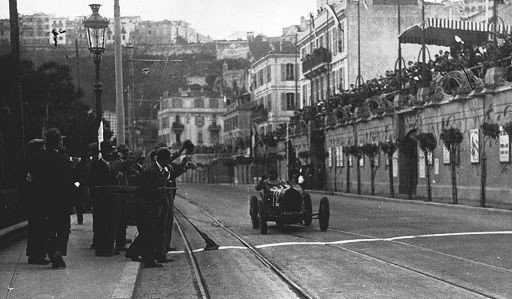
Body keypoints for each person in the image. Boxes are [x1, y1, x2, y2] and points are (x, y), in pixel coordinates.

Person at [30, 128, 75, 269]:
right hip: (61, 202)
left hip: (43, 202)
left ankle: (52, 252)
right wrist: (71, 202)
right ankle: (58, 252)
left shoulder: (38, 159)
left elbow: (34, 182)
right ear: (58, 142)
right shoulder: (64, 160)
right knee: (63, 228)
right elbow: (69, 184)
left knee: (48, 229)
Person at [126, 147, 173, 268]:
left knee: (152, 232)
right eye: (168, 159)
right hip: (148, 207)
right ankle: (149, 260)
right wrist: (157, 190)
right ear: (164, 159)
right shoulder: (151, 171)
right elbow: (143, 189)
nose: (169, 162)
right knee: (149, 233)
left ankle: (139, 254)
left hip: (155, 206)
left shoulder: (161, 170)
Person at [89, 141, 118, 256]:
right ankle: (102, 249)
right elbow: (97, 182)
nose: (110, 154)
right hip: (101, 200)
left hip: (110, 199)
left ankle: (109, 247)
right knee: (102, 224)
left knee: (110, 224)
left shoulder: (109, 164)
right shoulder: (97, 165)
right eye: (108, 151)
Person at [25, 138, 49, 265]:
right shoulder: (39, 162)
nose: (44, 149)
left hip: (32, 201)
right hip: (39, 200)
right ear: (39, 148)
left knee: (33, 228)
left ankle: (33, 254)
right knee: (40, 228)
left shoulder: (29, 161)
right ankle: (38, 255)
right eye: (43, 147)